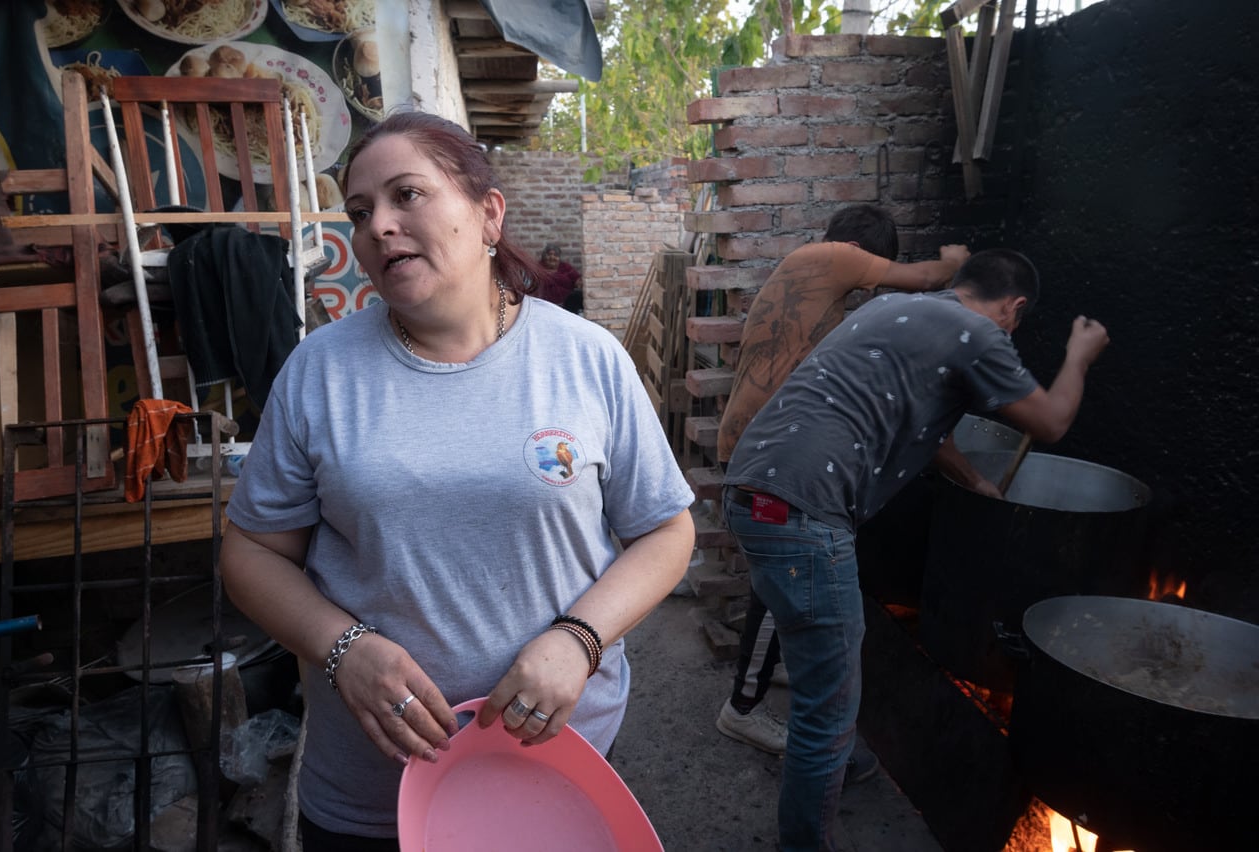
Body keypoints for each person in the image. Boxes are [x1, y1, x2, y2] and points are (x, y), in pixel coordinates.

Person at [219, 111, 696, 850]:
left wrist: (579, 639)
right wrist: (343, 647)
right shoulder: (320, 372)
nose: (379, 225)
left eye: (408, 194)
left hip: (553, 769)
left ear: (488, 214)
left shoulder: (587, 359)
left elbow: (666, 530)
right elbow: (250, 554)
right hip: (371, 792)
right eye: (360, 211)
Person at [722, 248, 1109, 851]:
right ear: (1015, 307)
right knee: (828, 704)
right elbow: (1053, 422)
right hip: (806, 510)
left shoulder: (897, 310)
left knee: (822, 660)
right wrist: (1078, 355)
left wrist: (974, 481)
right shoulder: (979, 332)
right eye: (1016, 322)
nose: (1009, 332)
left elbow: (925, 429)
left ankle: (838, 761)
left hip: (754, 490)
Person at [714, 205, 971, 762]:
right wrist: (957, 262)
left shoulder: (812, 285)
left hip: (763, 451)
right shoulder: (832, 258)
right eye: (875, 267)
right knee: (771, 587)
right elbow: (927, 279)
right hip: (767, 465)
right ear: (862, 252)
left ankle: (763, 677)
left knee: (781, 581)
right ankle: (743, 710)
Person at [538, 242, 584, 313]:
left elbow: (577, 280)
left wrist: (580, 282)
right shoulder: (537, 268)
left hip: (566, 305)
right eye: (549, 254)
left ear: (559, 258)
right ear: (543, 256)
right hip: (545, 305)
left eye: (555, 255)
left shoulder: (565, 267)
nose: (552, 257)